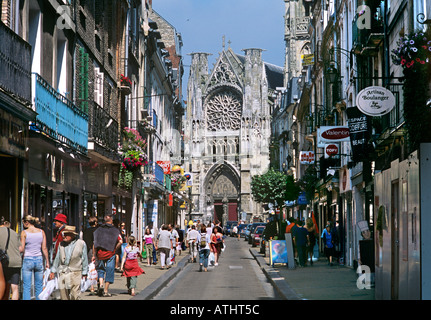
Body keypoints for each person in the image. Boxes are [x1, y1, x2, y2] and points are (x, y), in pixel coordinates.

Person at [49, 225, 88, 300]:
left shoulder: (81, 243)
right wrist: (53, 271)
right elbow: (57, 258)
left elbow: (84, 259)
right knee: (63, 295)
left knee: (75, 295)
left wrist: (84, 272)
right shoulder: (61, 244)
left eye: (67, 234)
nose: (64, 236)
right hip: (63, 272)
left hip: (76, 272)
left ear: (72, 235)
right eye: (64, 234)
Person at [21, 215, 50, 300]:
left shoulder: (24, 233)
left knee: (26, 286)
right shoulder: (41, 232)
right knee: (39, 285)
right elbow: (44, 248)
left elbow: (22, 248)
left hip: (27, 259)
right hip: (39, 259)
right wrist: (47, 261)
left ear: (27, 223)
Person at [92, 214, 122, 297]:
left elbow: (94, 243)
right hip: (110, 253)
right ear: (111, 221)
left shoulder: (98, 230)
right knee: (109, 270)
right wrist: (115, 248)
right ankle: (105, 290)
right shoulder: (115, 230)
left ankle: (101, 284)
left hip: (100, 253)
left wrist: (94, 254)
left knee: (100, 269)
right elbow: (121, 241)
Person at [0, 218, 22, 300]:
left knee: (3, 284)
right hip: (16, 262)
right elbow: (21, 248)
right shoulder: (13, 233)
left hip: (4, 262)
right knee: (14, 288)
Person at [83, 216, 98, 295]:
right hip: (93, 250)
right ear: (95, 222)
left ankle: (90, 285)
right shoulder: (96, 231)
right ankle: (96, 286)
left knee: (90, 268)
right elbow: (94, 242)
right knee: (96, 268)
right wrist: (94, 254)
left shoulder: (86, 231)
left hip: (86, 250)